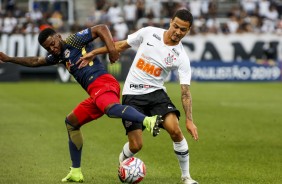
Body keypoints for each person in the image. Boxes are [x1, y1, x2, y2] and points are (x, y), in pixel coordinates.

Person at [0, 25, 163, 182]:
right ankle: (76, 172)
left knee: (110, 109)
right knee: (71, 122)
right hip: (95, 93)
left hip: (103, 83)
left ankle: (149, 120)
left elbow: (101, 28)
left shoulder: (73, 41)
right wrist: (9, 59)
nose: (52, 49)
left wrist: (112, 49)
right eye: (48, 48)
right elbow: (36, 61)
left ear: (58, 37)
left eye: (53, 44)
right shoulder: (58, 56)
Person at [78, 9, 199, 184]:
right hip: (132, 94)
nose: (178, 32)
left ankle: (186, 177)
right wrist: (94, 53)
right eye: (176, 27)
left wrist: (189, 119)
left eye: (183, 30)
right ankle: (123, 161)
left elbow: (185, 92)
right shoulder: (149, 32)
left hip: (156, 93)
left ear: (188, 31)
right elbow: (120, 45)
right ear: (171, 22)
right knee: (136, 145)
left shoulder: (181, 57)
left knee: (175, 129)